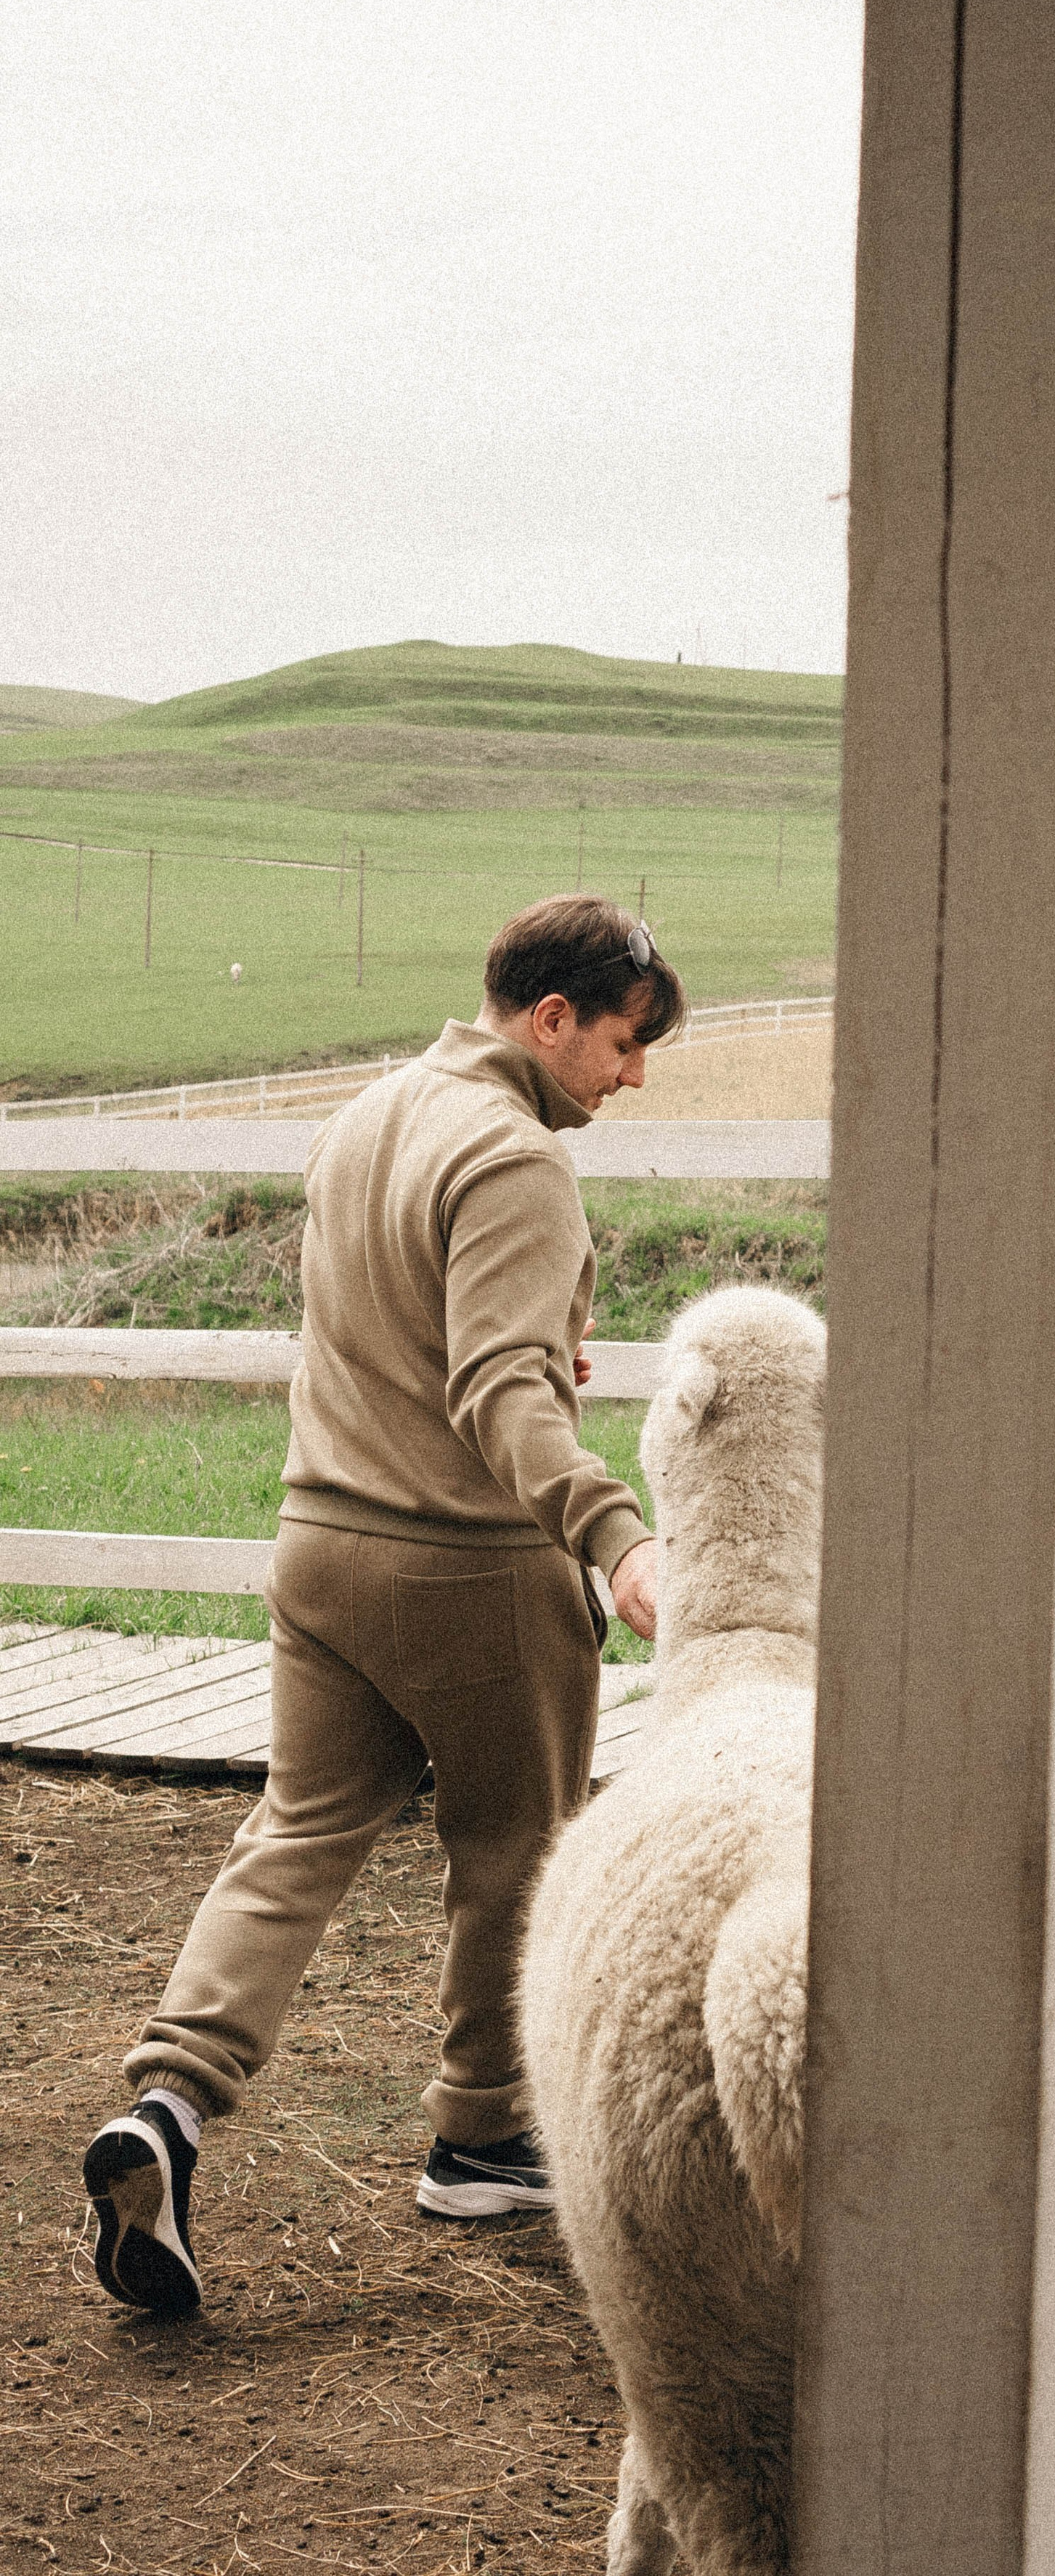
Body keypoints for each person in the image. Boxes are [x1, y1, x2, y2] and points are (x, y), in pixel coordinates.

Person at [81, 894, 685, 2318]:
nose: (633, 1073)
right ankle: (482, 2135)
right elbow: (496, 1395)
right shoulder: (517, 1157)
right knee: (514, 1847)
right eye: (623, 1040)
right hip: (466, 1567)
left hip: (317, 1545)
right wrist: (617, 1540)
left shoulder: (363, 1119)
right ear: (552, 1018)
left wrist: (531, 1361)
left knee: (294, 1833)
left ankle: (165, 2107)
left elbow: (394, 1333)